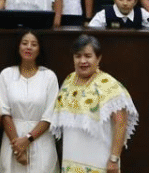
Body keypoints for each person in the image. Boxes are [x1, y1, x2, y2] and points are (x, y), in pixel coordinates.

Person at [51, 35, 138, 173]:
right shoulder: (68, 81)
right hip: (71, 159)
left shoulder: (109, 84)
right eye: (78, 56)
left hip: (100, 161)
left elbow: (121, 123)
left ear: (98, 58)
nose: (82, 61)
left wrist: (114, 159)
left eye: (88, 56)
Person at [0, 31, 58, 173]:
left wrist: (28, 139)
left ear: (39, 49)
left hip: (41, 139)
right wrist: (18, 148)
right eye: (24, 43)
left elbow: (49, 116)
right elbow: (4, 113)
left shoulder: (49, 76)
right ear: (18, 47)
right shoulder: (6, 74)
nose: (28, 47)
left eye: (34, 44)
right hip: (13, 140)